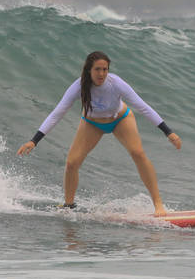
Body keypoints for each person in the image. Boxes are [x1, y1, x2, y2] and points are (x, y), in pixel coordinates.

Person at [17, 51, 182, 215]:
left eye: (105, 69)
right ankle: (69, 205)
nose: (101, 73)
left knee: (137, 153)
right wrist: (34, 140)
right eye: (97, 69)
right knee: (72, 163)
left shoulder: (116, 83)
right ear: (89, 69)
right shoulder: (79, 86)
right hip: (92, 124)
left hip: (120, 119)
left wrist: (168, 132)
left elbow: (143, 107)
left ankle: (158, 205)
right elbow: (57, 113)